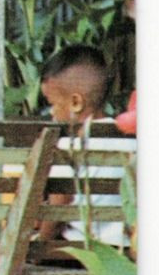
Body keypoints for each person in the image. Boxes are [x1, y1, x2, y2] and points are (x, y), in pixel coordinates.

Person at [36, 46, 135, 249]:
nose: (52, 113)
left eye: (52, 103)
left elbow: (58, 210)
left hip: (80, 251)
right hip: (125, 250)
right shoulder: (131, 140)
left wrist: (40, 243)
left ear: (75, 102)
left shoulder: (69, 145)